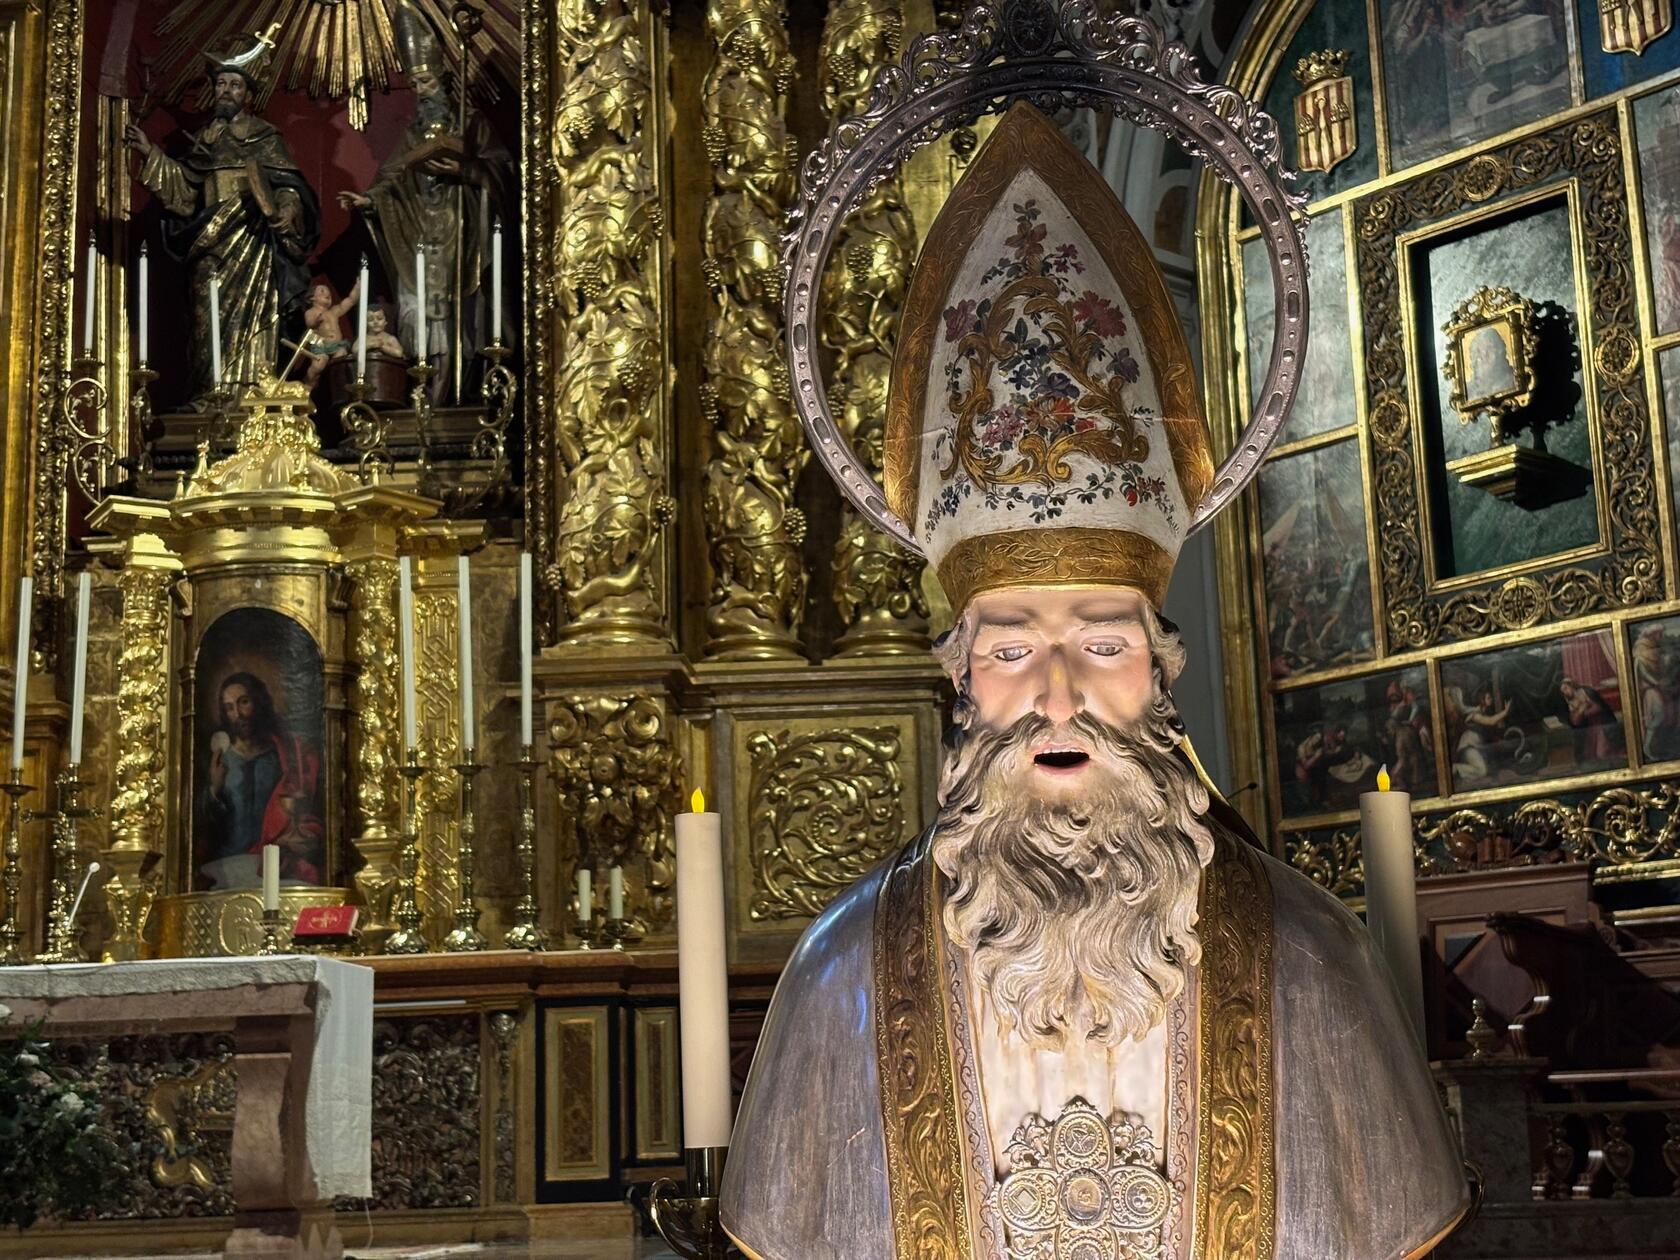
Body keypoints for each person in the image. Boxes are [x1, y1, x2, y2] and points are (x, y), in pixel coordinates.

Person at [721, 103, 1466, 1260]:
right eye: (1012, 646)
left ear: (1162, 673)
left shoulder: (1315, 962)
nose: (1058, 695)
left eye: (1105, 643)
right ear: (960, 677)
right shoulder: (839, 983)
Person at [124, 26, 320, 406]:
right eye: (221, 84)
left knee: (254, 315)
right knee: (206, 317)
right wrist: (152, 155)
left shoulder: (264, 136)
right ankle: (210, 393)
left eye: (234, 85)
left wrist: (285, 209)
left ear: (248, 94)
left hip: (252, 244)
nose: (225, 92)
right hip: (209, 244)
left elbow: (288, 186)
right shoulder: (206, 141)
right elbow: (185, 193)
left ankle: (252, 389)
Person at [337, 4, 515, 402]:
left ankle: (460, 395)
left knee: (462, 320)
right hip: (421, 238)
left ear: (442, 79)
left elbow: (503, 171)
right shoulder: (413, 133)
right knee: (422, 319)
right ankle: (427, 393)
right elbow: (392, 177)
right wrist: (368, 200)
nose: (419, 91)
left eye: (425, 82)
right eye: (415, 83)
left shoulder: (471, 122)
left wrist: (467, 170)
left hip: (463, 237)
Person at [197, 672, 324, 887]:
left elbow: (306, 812)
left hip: (273, 867)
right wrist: (213, 790)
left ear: (259, 701)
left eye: (243, 702)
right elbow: (198, 824)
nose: (238, 714)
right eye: (229, 708)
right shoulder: (220, 762)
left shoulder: (285, 755)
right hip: (228, 868)